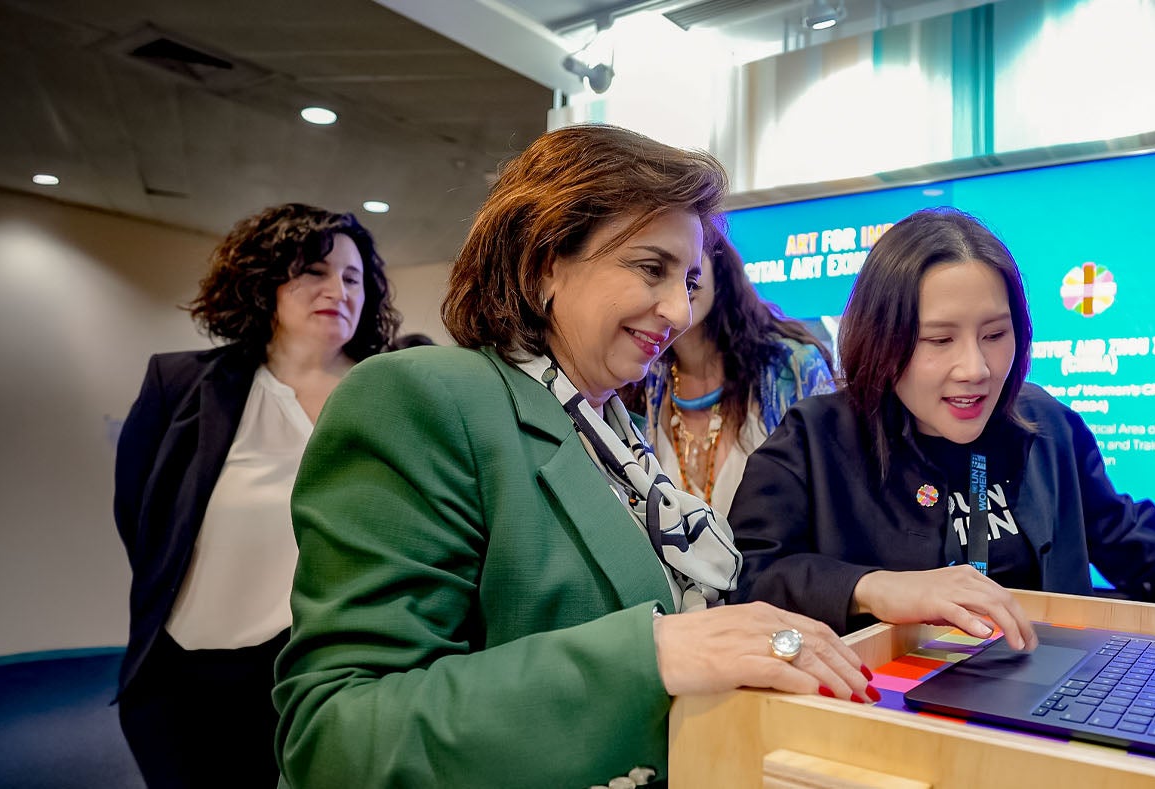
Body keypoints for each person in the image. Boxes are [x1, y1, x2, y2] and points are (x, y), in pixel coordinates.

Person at [272, 125, 875, 789]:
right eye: (651, 268)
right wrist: (649, 655)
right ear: (544, 262)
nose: (678, 309)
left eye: (691, 279)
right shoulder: (423, 396)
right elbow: (338, 734)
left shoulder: (613, 432)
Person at [729, 208, 1155, 650]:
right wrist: (873, 587)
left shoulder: (1045, 424)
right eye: (940, 339)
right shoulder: (813, 440)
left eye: (995, 335)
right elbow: (750, 576)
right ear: (881, 339)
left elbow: (1118, 528)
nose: (976, 368)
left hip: (1046, 694)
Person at [112, 204, 400, 788]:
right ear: (264, 281)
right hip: (190, 669)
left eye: (352, 277)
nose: (337, 290)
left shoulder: (392, 393)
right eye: (314, 271)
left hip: (331, 669)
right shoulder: (183, 385)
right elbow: (141, 514)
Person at [628, 232, 834, 515]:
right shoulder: (639, 377)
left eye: (690, 273)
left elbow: (835, 491)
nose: (679, 291)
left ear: (718, 265)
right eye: (655, 268)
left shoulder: (793, 367)